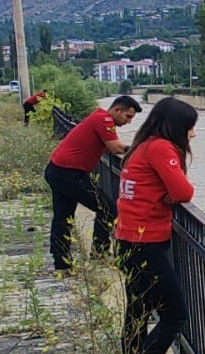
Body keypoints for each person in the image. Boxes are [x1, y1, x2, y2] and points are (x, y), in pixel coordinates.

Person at [115, 97, 197, 354]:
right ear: (177, 127)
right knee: (175, 315)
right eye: (190, 128)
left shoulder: (143, 145)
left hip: (129, 238)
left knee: (137, 310)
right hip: (145, 241)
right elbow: (183, 192)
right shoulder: (162, 148)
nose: (192, 134)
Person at [44, 95, 141, 271]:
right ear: (117, 110)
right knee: (107, 209)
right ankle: (99, 252)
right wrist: (140, 148)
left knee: (63, 217)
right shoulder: (103, 119)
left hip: (59, 170)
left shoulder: (98, 117)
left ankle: (62, 262)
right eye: (128, 117)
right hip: (68, 174)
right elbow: (115, 147)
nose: (128, 122)